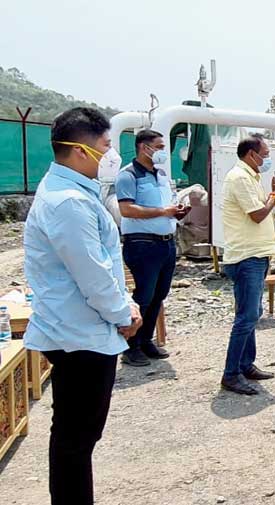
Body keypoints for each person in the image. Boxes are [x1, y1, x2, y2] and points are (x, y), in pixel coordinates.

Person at [24, 107, 143, 505]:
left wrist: (123, 305)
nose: (112, 155)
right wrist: (125, 314)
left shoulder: (72, 193)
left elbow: (102, 264)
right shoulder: (68, 203)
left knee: (77, 438)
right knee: (75, 440)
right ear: (79, 151)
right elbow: (91, 274)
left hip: (79, 329)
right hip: (80, 336)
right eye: (107, 146)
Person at [220, 133, 275, 395]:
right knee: (247, 316)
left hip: (257, 254)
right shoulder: (239, 178)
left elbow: (264, 211)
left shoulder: (251, 177)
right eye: (265, 154)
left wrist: (274, 194)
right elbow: (257, 215)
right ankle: (231, 374)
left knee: (252, 313)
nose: (267, 159)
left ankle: (245, 364)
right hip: (245, 256)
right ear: (251, 155)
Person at [116, 130, 182, 366]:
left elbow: (166, 204)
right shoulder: (128, 175)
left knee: (158, 295)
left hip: (165, 242)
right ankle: (130, 346)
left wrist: (175, 211)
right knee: (144, 295)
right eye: (160, 147)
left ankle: (146, 340)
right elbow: (127, 209)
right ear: (145, 148)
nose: (164, 152)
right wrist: (163, 212)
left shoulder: (161, 174)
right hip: (142, 243)